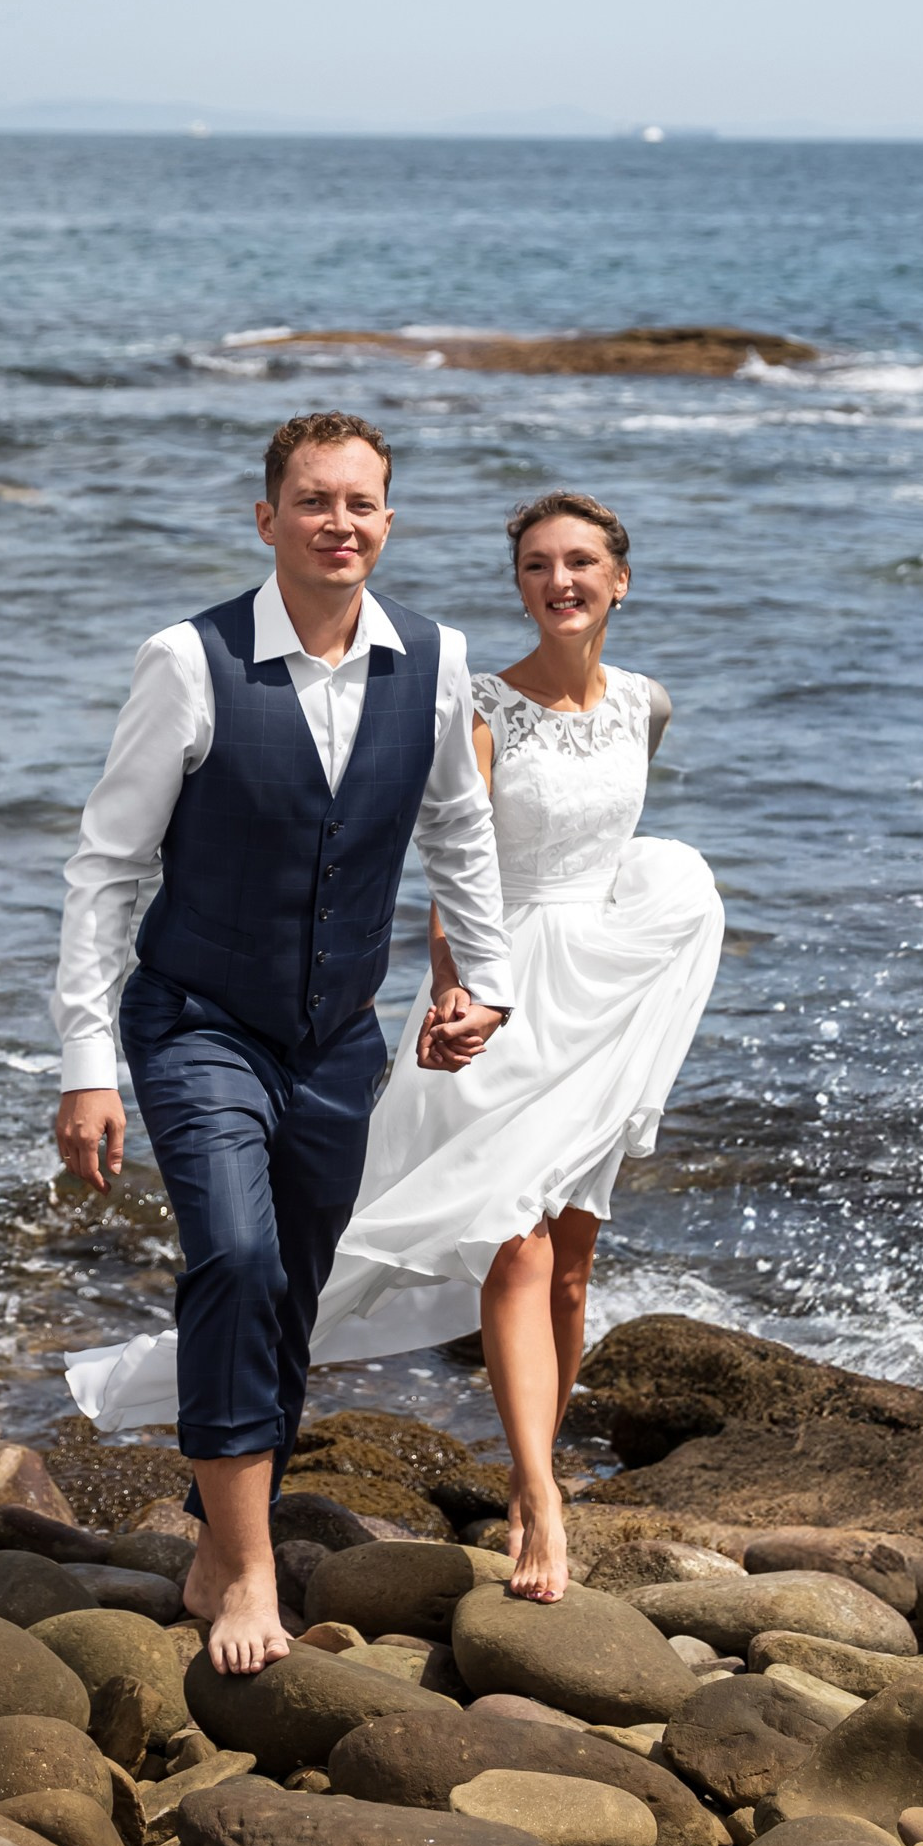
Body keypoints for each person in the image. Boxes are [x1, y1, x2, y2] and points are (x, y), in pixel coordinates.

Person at [51, 412, 513, 1674]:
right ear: (267, 519)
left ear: (388, 520)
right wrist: (86, 1062)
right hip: (195, 1018)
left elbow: (457, 827)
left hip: (336, 1038)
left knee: (292, 1288)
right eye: (314, 500)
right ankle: (249, 1568)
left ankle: (215, 1537)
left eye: (360, 502)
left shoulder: (434, 657)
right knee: (236, 1256)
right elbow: (105, 867)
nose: (338, 523)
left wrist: (488, 980)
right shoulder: (188, 660)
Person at [313, 490, 724, 1602]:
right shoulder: (480, 708)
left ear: (619, 580)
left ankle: (529, 1461)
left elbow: (614, 849)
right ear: (520, 585)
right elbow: (456, 871)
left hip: (597, 995)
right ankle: (540, 1492)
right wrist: (457, 991)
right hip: (499, 986)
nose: (559, 581)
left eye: (580, 562)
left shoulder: (645, 703)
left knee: (573, 1263)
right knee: (517, 1242)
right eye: (537, 564)